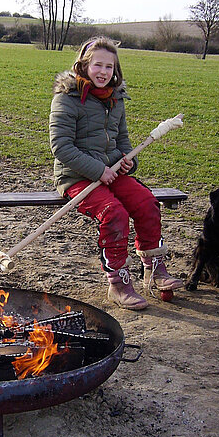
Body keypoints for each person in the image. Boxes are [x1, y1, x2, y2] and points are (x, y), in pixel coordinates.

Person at [49, 37, 182, 310]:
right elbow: (61, 147)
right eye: (97, 65)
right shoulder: (66, 99)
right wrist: (99, 170)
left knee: (147, 203)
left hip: (112, 173)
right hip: (76, 177)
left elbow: (123, 141)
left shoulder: (116, 98)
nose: (103, 72)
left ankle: (155, 270)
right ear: (84, 65)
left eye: (109, 67)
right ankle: (118, 284)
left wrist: (127, 163)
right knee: (115, 213)